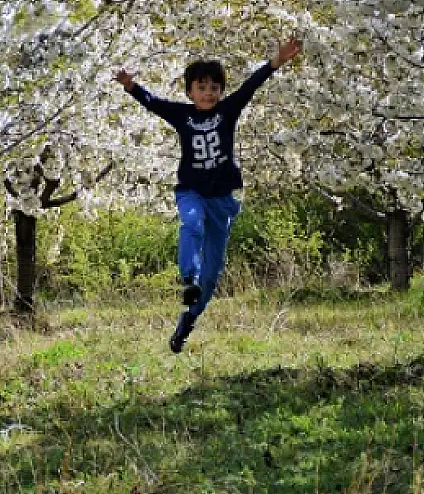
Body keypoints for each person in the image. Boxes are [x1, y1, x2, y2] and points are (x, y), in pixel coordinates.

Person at [115, 38, 303, 352]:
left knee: (213, 274)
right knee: (191, 225)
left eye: (215, 87)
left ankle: (187, 321)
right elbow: (152, 102)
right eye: (201, 87)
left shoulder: (228, 110)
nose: (209, 93)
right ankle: (189, 278)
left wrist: (275, 62)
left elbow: (250, 86)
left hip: (222, 201)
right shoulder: (182, 115)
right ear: (190, 91)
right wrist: (130, 85)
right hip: (191, 192)